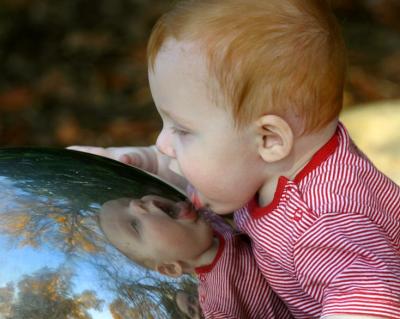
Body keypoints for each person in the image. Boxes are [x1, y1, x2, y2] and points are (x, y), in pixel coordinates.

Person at [69, 0, 400, 318]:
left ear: (269, 139)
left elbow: (372, 299)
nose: (162, 142)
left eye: (182, 130)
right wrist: (144, 162)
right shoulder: (267, 164)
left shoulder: (321, 225)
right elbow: (216, 170)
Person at [98, 195, 292, 318]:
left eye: (134, 199)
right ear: (171, 268)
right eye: (134, 225)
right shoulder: (217, 304)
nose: (136, 203)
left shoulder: (214, 220)